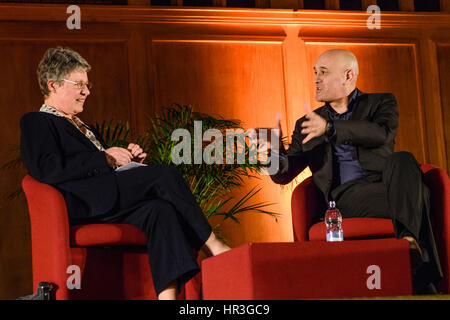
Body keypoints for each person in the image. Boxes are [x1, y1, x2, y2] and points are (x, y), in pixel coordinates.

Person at [20, 47, 230, 300]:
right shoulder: (37, 121)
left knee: (160, 211)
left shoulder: (84, 127)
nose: (87, 91)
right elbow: (46, 168)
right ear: (52, 85)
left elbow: (96, 166)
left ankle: (167, 298)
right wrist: (105, 157)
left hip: (105, 197)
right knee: (164, 175)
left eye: (87, 84)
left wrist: (124, 162)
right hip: (81, 203)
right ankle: (214, 245)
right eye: (79, 84)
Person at [269, 49, 442, 294]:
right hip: (344, 200)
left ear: (348, 76)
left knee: (403, 160)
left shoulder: (380, 103)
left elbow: (380, 133)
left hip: (388, 187)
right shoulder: (307, 122)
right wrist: (272, 153)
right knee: (420, 197)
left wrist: (330, 128)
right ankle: (421, 273)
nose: (316, 79)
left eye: (324, 72)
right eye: (315, 73)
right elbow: (285, 174)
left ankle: (409, 249)